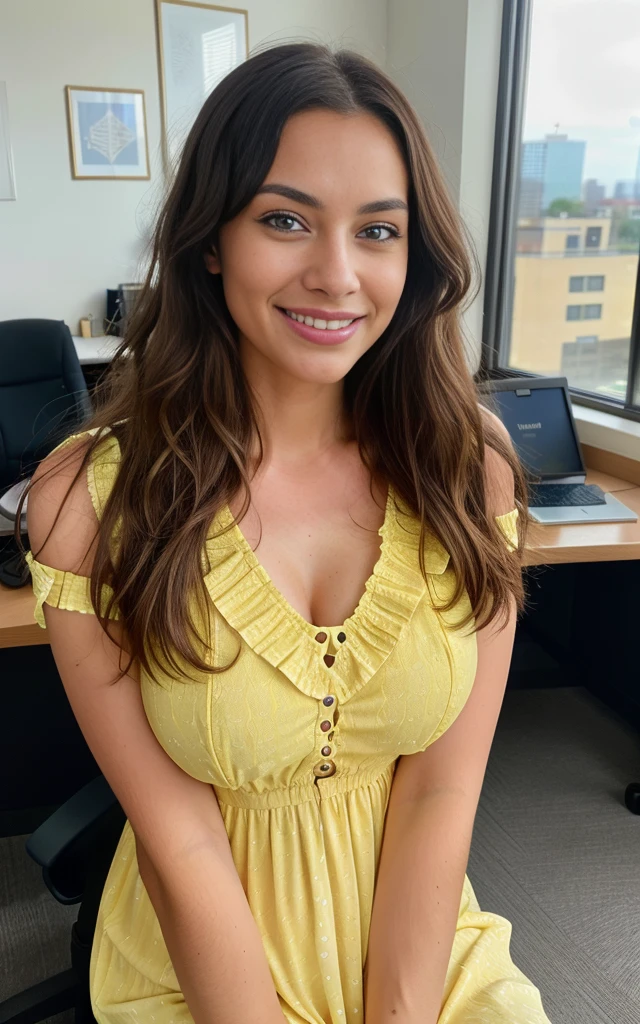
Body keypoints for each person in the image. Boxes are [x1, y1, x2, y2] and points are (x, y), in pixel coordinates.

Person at [23, 41, 552, 1024]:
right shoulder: (87, 502)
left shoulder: (465, 466)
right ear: (211, 238)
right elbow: (177, 839)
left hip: (422, 942)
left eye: (378, 230)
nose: (337, 274)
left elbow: (441, 795)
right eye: (284, 220)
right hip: (202, 965)